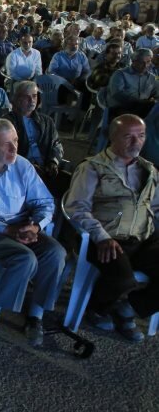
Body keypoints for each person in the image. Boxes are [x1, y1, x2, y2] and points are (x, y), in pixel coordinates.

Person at [0, 118, 66, 354]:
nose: (14, 148)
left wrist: (36, 227)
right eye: (7, 144)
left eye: (15, 141)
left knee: (56, 253)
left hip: (21, 226)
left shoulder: (23, 166)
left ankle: (36, 314)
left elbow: (45, 202)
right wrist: (6, 230)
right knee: (25, 258)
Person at [65, 114, 158, 343]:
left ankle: (128, 308)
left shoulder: (149, 170)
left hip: (141, 238)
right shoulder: (93, 167)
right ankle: (97, 308)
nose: (136, 142)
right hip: (105, 239)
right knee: (122, 279)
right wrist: (101, 237)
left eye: (141, 136)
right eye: (128, 136)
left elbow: (156, 207)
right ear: (112, 137)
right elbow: (76, 208)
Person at [4, 81, 65, 194]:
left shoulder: (47, 121)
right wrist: (27, 166)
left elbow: (56, 144)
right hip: (19, 171)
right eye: (27, 97)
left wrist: (53, 161)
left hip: (45, 168)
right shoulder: (7, 122)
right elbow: (4, 151)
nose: (32, 100)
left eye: (34, 96)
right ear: (17, 99)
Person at [106, 48, 158, 118]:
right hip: (123, 110)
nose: (145, 65)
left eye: (148, 62)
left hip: (144, 109)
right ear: (134, 61)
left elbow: (157, 93)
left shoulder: (152, 77)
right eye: (141, 62)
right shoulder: (120, 74)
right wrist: (139, 102)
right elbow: (117, 94)